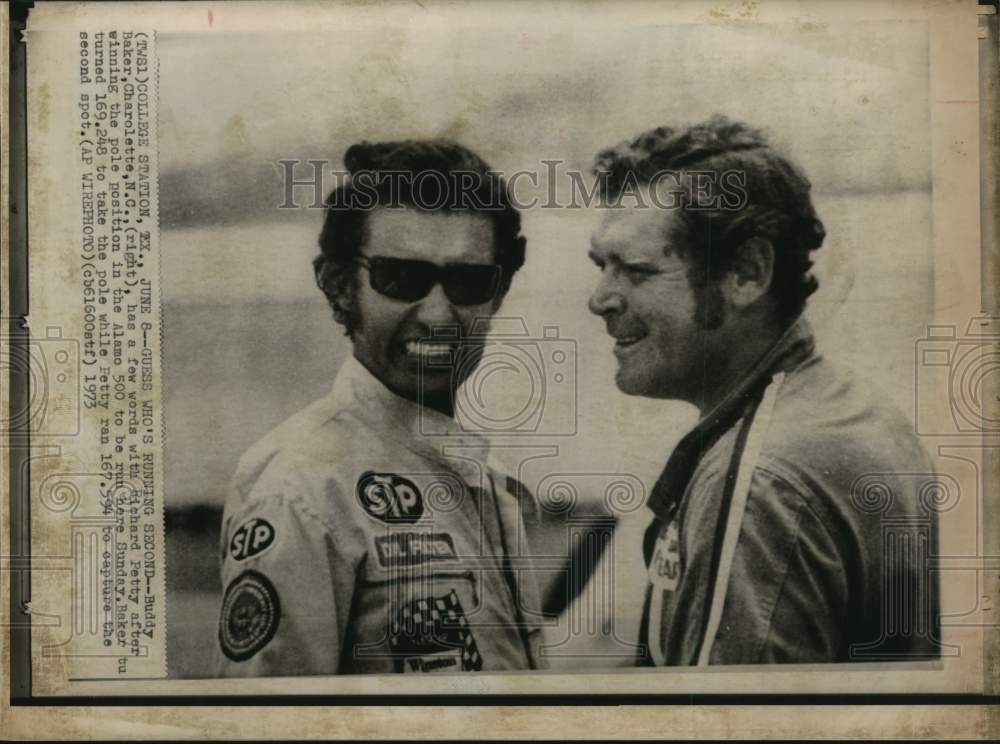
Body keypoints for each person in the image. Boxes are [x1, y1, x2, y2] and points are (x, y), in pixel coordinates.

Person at [587, 116, 941, 665]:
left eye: (634, 270)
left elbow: (728, 723)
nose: (600, 299)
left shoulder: (762, 481)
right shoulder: (850, 407)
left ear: (747, 273)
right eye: (600, 266)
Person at [215, 140, 543, 675]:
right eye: (401, 279)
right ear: (341, 288)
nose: (437, 314)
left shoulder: (479, 474)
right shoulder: (300, 489)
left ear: (499, 292)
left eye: (468, 281)